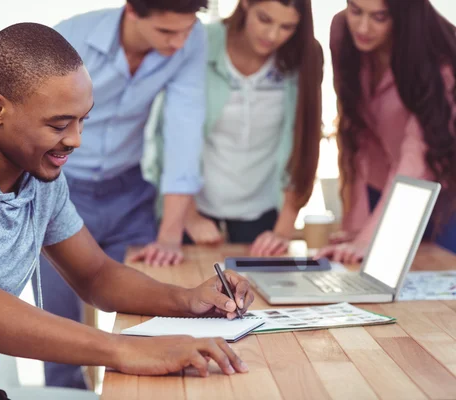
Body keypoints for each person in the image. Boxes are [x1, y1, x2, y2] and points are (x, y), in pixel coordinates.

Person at [0, 22, 255, 400]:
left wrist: (188, 300)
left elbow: (95, 275)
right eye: (59, 124)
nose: (76, 140)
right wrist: (121, 349)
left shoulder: (38, 173)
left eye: (83, 120)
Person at [38, 0, 208, 387]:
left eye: (186, 30)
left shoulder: (190, 37)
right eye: (167, 32)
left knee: (144, 307)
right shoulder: (70, 37)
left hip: (128, 191)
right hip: (61, 185)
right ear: (132, 11)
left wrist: (170, 232)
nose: (179, 42)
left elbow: (186, 126)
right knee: (59, 325)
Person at [145, 0, 322, 256]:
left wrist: (283, 230)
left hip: (264, 214)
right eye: (264, 19)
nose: (273, 36)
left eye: (287, 27)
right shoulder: (201, 41)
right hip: (195, 208)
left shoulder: (305, 54)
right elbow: (170, 136)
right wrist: (189, 216)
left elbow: (305, 143)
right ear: (246, 4)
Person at [319, 0, 456, 264]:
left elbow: (417, 155)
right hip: (381, 186)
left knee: (438, 279)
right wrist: (357, 227)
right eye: (355, 10)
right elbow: (355, 132)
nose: (362, 26)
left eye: (379, 17)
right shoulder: (342, 31)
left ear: (404, 15)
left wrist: (372, 237)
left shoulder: (441, 58)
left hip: (443, 193)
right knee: (363, 271)